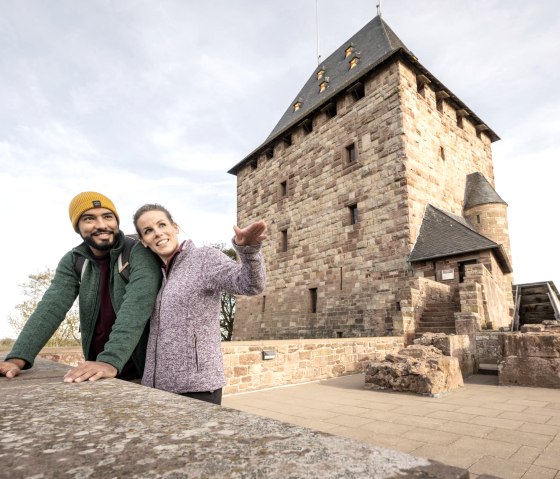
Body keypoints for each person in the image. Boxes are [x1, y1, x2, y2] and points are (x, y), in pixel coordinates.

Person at [0, 192, 162, 383]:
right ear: (77, 227)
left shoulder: (138, 251)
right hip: (96, 371)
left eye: (108, 217)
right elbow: (51, 308)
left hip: (139, 372)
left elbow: (137, 306)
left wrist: (109, 361)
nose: (102, 225)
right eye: (89, 219)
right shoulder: (74, 260)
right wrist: (17, 357)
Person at [132, 204, 267, 405]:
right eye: (148, 231)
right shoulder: (155, 273)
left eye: (162, 224)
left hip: (197, 388)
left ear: (175, 227)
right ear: (143, 241)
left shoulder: (204, 258)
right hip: (156, 387)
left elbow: (250, 285)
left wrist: (249, 251)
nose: (158, 233)